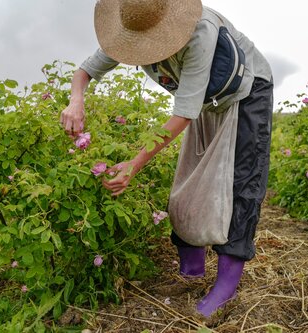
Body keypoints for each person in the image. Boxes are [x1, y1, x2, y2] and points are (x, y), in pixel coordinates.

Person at [60, 0, 273, 317]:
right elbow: (84, 72)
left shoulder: (200, 31)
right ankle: (192, 270)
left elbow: (183, 114)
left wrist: (134, 163)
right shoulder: (130, 29)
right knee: (189, 178)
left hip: (245, 91)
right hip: (204, 102)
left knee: (241, 183)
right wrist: (76, 101)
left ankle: (226, 286)